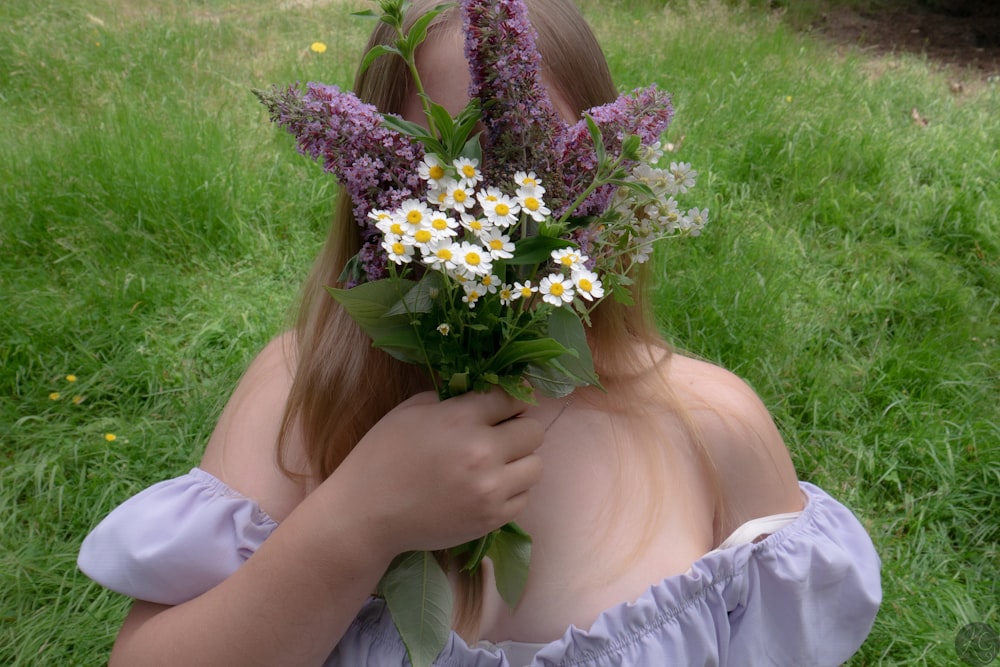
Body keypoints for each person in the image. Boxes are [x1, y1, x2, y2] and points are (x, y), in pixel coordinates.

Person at [78, 1, 882, 665]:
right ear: (371, 197)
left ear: (606, 175)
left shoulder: (711, 428)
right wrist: (355, 522)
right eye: (441, 165)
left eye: (526, 162)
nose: (484, 209)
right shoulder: (303, 392)